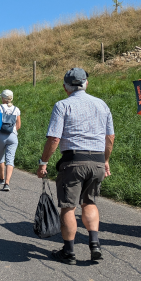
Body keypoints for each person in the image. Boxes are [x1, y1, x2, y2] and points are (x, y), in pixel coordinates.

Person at [37, 68, 115, 265]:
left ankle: (69, 252)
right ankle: (95, 244)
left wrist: (43, 162)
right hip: (97, 161)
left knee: (68, 207)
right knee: (89, 202)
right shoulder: (102, 104)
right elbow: (110, 137)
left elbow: (55, 138)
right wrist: (105, 160)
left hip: (73, 161)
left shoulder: (62, 105)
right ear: (86, 83)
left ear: (65, 87)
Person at [0, 90, 21, 191]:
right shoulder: (16, 109)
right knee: (10, 159)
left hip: (0, 135)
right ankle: (7, 183)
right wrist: (12, 131)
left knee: (0, 158)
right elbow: (18, 125)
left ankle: (1, 177)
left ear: (3, 99)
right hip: (12, 136)